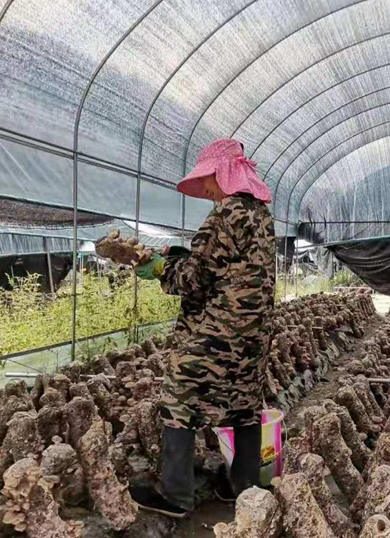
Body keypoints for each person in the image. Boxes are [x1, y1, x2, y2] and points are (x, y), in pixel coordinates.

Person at [129, 139, 276, 518]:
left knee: (179, 398)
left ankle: (176, 496)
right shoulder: (259, 214)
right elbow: (225, 263)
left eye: (208, 178)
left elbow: (194, 278)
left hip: (217, 332)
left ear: (224, 174)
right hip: (252, 332)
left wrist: (160, 269)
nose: (206, 188)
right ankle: (244, 486)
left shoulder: (225, 214)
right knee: (244, 405)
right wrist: (178, 256)